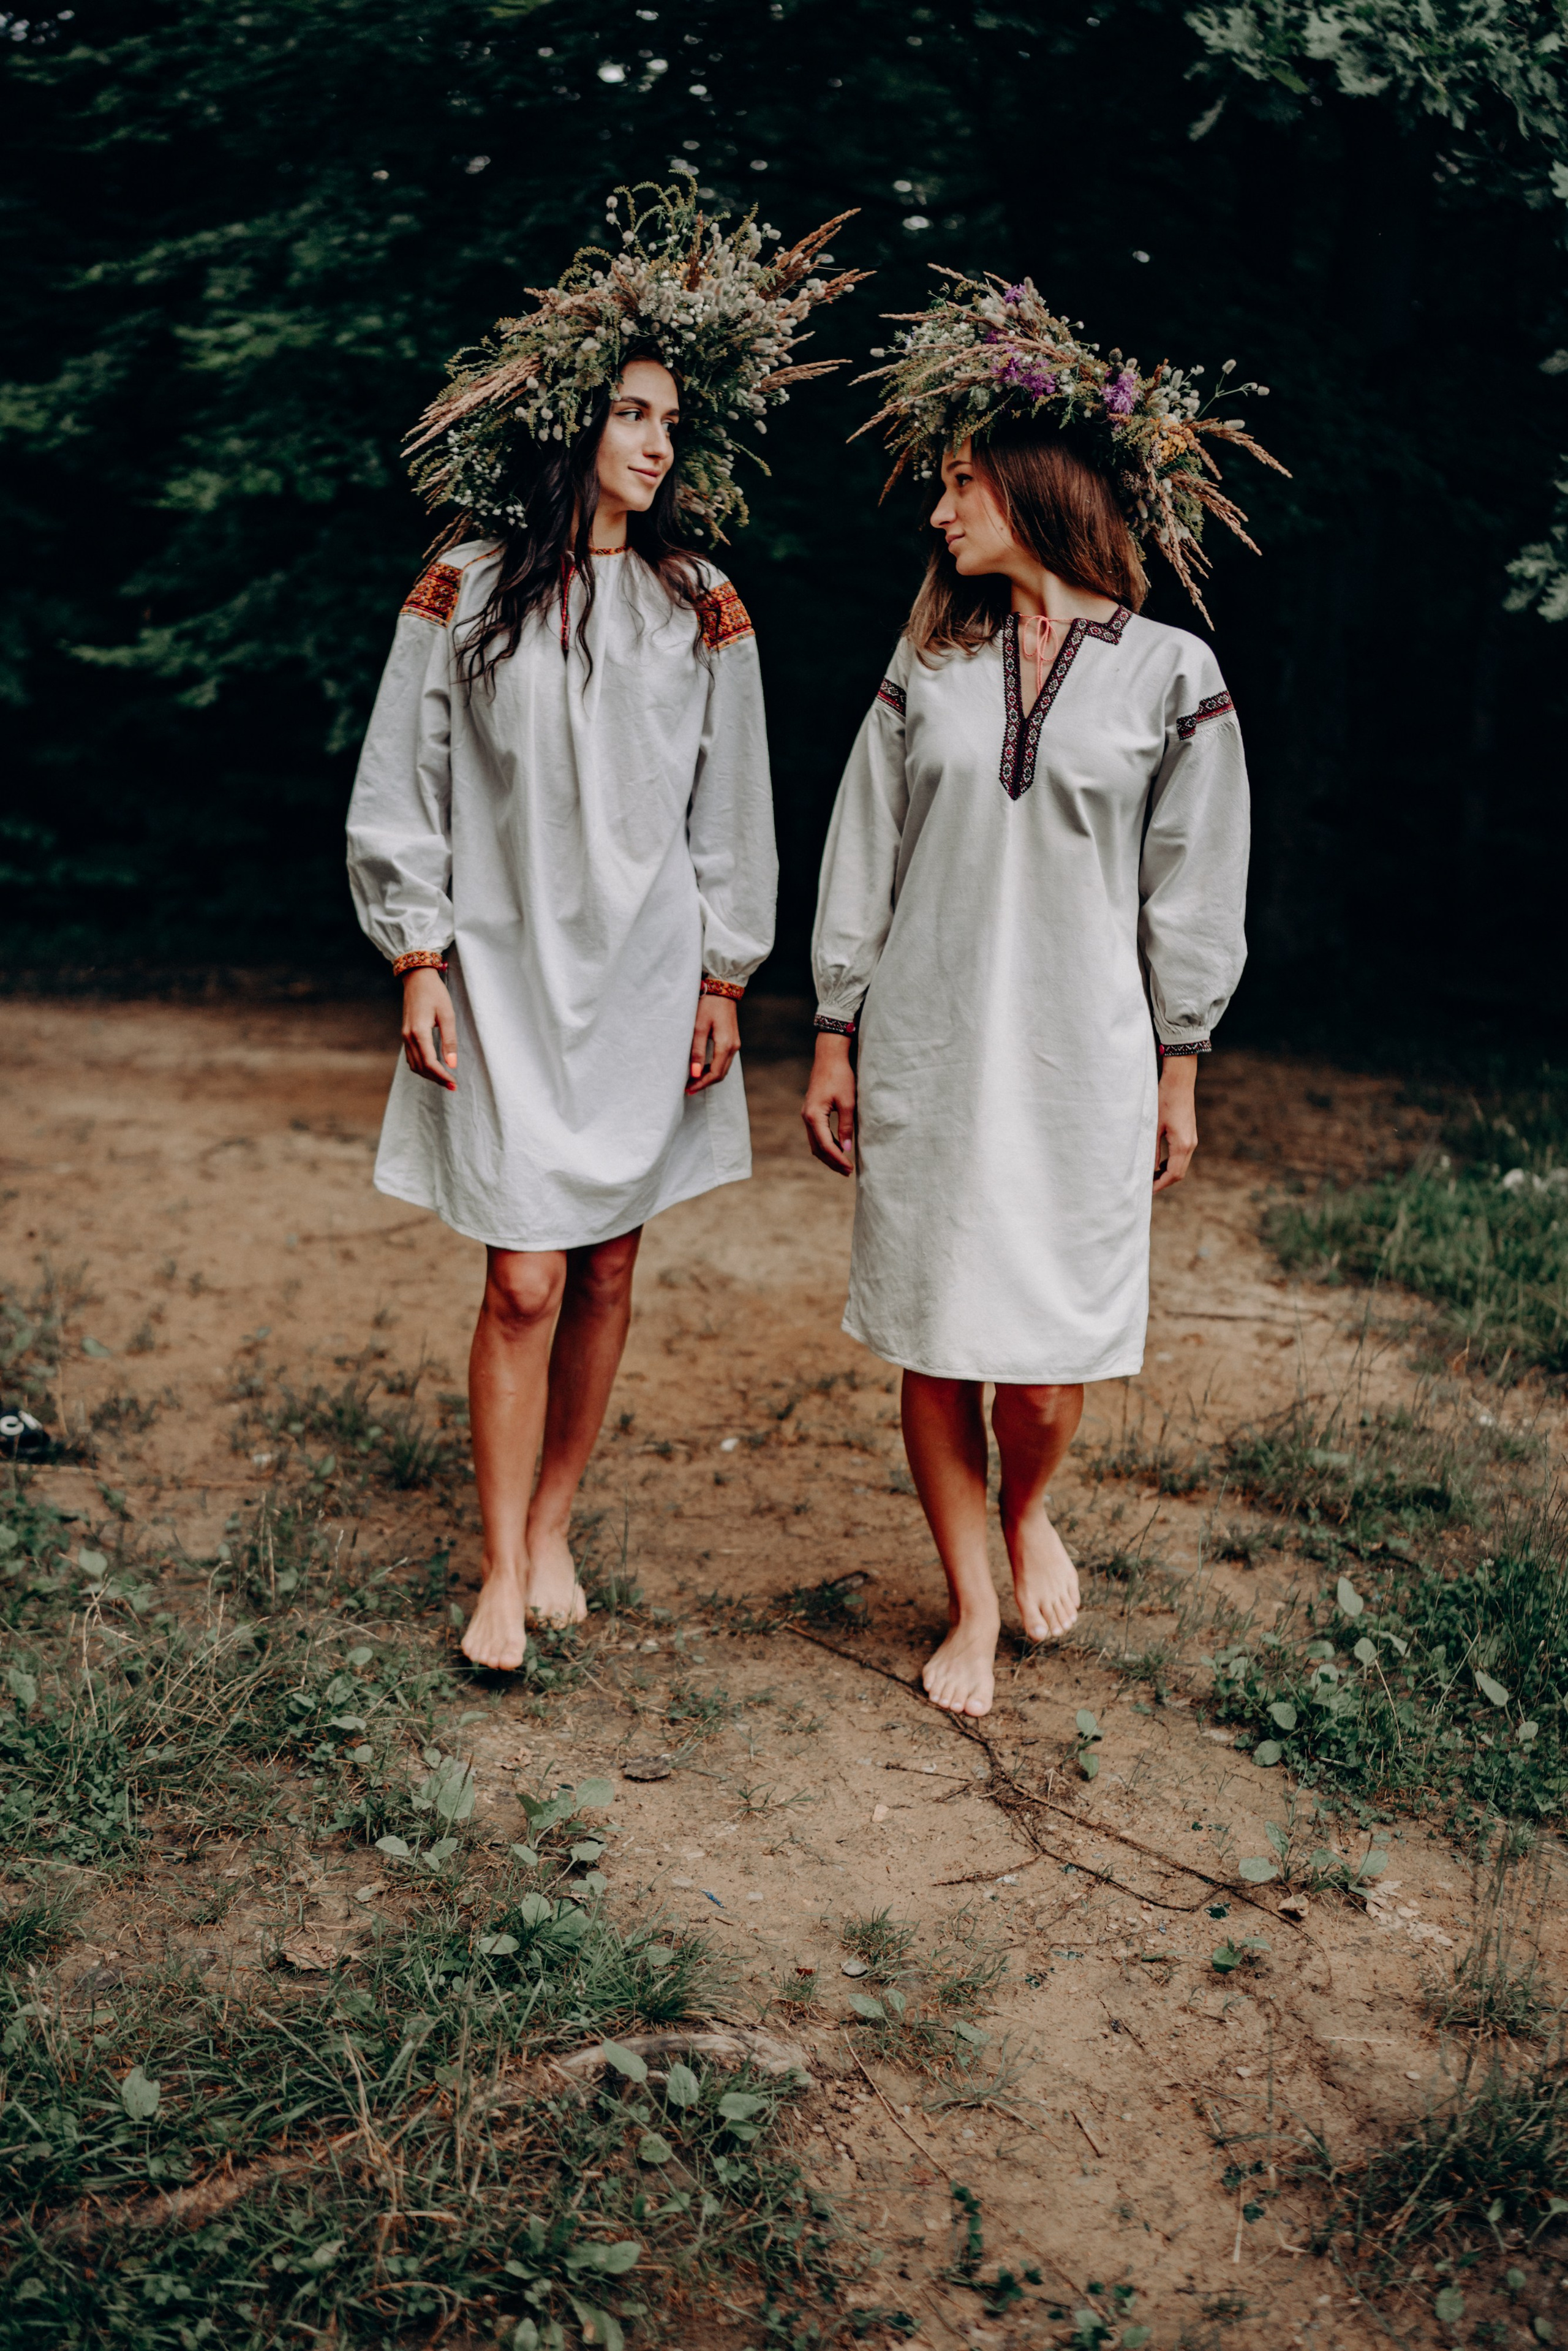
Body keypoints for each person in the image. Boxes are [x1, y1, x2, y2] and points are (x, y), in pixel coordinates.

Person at [347, 175, 864, 1671]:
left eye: (671, 423)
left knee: (612, 1262)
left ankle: (556, 1517)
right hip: (503, 967)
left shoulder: (700, 602)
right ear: (572, 417)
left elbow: (731, 809)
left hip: (645, 975)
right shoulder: (465, 584)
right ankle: (499, 1565)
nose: (656, 443)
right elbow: (405, 784)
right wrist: (418, 954)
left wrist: (723, 978)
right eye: (634, 412)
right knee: (519, 1269)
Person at [803, 274, 1285, 1717]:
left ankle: (1028, 1508)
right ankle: (967, 1601)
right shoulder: (928, 659)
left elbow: (1194, 885)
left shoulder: (1170, 674)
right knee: (937, 1323)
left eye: (958, 485)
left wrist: (1178, 1062)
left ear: (1032, 486)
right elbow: (862, 840)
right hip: (934, 1039)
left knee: (1046, 1346)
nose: (939, 511)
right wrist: (833, 1021)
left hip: (1083, 1050)